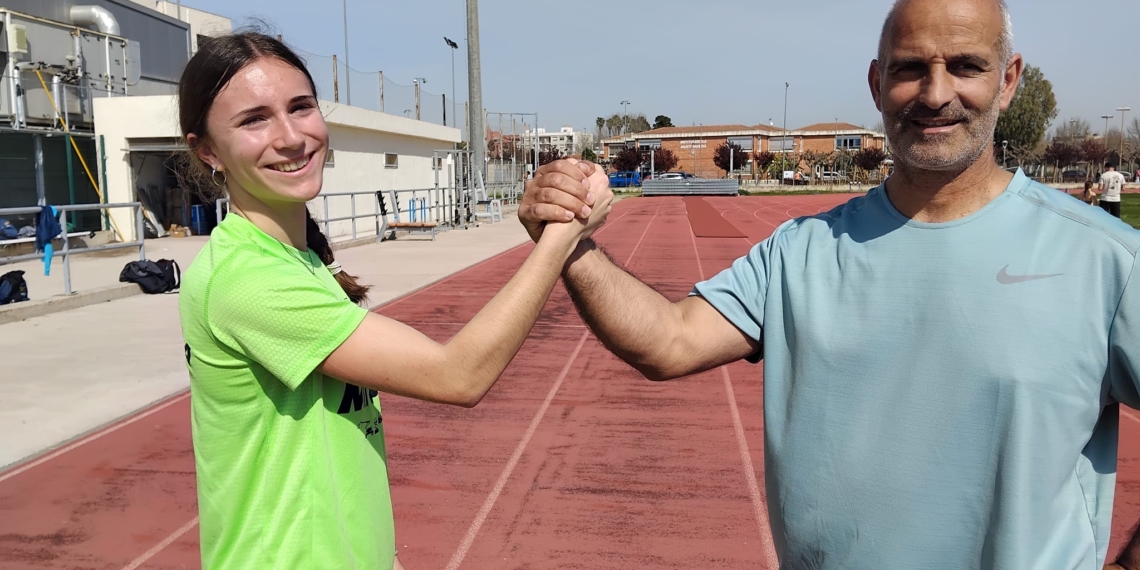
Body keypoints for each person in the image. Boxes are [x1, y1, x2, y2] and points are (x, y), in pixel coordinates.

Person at [519, 0, 1140, 568]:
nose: (935, 92)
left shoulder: (1105, 261)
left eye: (966, 66)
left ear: (1008, 81)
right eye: (909, 68)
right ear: (877, 83)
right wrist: (570, 248)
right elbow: (667, 341)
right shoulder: (801, 253)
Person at [176, 31, 611, 570]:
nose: (290, 136)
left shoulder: (295, 258)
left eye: (300, 107)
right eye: (254, 120)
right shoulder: (248, 277)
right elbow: (457, 374)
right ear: (207, 150)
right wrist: (562, 236)